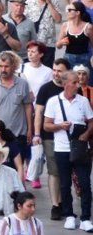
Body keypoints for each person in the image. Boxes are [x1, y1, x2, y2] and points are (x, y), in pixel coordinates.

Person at [43, 69, 93, 231]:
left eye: (78, 82)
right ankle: (69, 215)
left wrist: (85, 135)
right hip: (61, 148)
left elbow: (91, 122)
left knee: (85, 183)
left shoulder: (83, 101)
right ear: (65, 84)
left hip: (80, 147)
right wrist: (59, 126)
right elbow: (46, 125)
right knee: (64, 184)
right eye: (74, 82)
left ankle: (86, 217)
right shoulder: (53, 102)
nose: (77, 85)